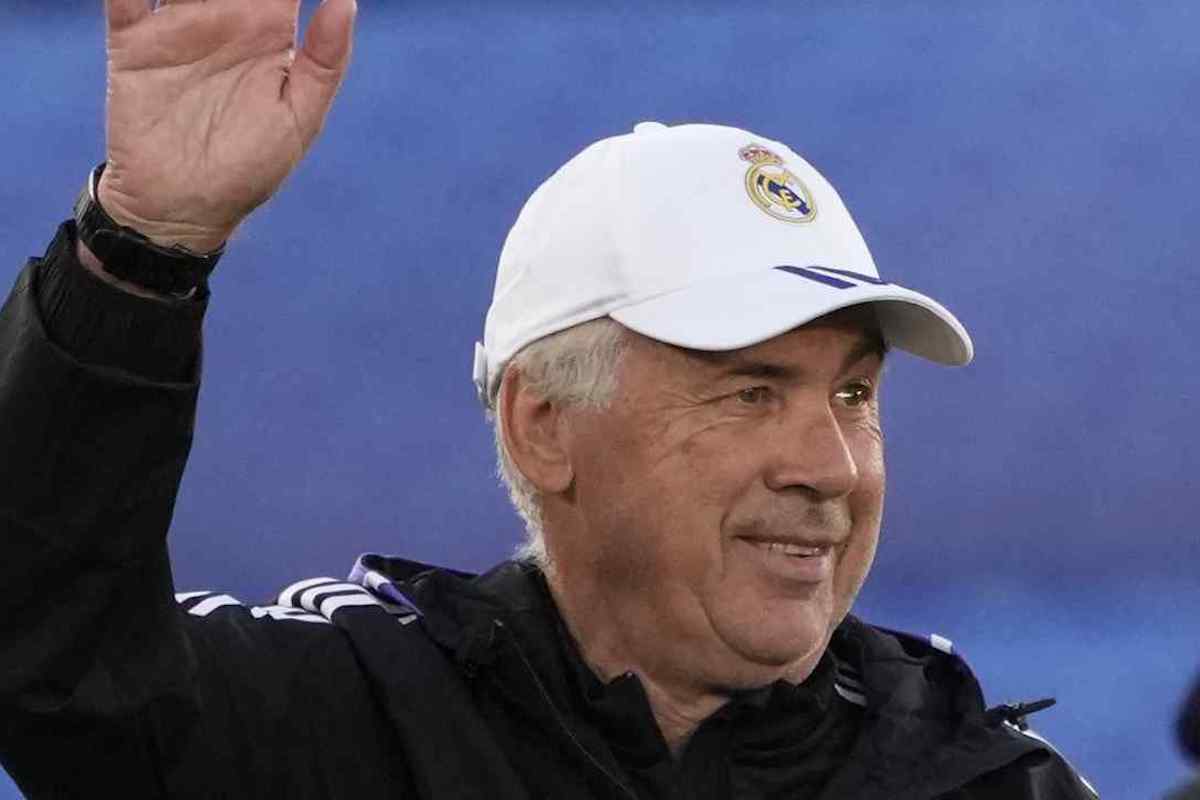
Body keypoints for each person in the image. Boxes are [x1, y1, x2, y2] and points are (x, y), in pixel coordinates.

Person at [0, 1, 1099, 797]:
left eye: (854, 393)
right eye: (750, 392)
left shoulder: (977, 778)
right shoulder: (352, 719)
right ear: (542, 426)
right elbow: (58, 672)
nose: (832, 465)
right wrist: (141, 251)